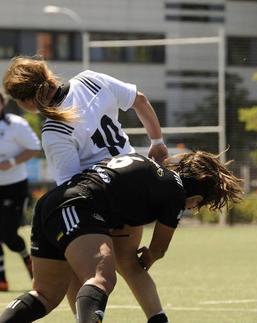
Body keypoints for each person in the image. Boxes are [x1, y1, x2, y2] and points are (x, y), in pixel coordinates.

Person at [3, 56, 171, 322]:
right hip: (134, 185)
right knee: (129, 262)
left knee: (74, 270)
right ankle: (158, 319)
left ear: (27, 102)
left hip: (99, 197)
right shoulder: (90, 79)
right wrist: (157, 140)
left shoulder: (55, 129)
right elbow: (139, 99)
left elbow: (71, 188)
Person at [0, 151, 243, 323]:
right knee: (102, 277)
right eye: (195, 206)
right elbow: (158, 249)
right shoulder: (176, 192)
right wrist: (149, 256)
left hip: (52, 203)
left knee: (45, 295)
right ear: (196, 198)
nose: (190, 208)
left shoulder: (149, 170)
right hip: (78, 205)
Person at [0, 92, 40, 291]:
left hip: (14, 186)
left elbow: (34, 147)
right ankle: (2, 279)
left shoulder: (16, 124)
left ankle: (29, 260)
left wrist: (12, 162)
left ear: (2, 104)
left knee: (8, 233)